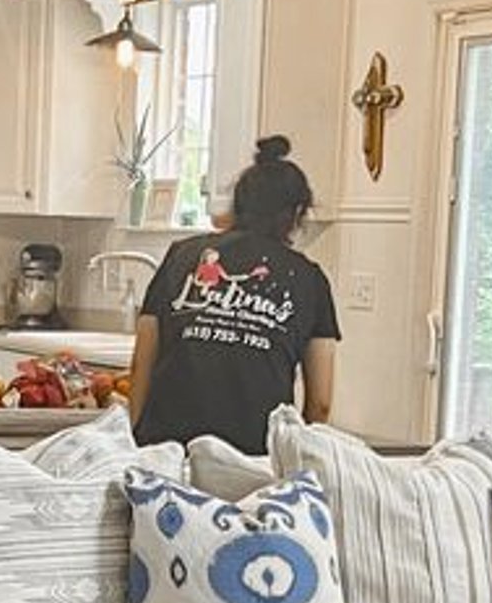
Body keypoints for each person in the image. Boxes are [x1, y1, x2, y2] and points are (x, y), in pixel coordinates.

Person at [129, 134, 340, 454]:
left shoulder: (182, 255)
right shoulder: (309, 280)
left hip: (167, 447)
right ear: (297, 211)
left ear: (239, 203)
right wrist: (302, 463)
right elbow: (321, 403)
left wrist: (134, 440)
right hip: (253, 456)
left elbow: (143, 358)